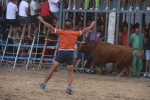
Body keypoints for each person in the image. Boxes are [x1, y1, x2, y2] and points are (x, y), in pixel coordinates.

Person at [38, 16, 95, 94]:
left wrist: (42, 20)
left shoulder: (61, 32)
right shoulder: (75, 33)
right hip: (70, 53)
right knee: (70, 72)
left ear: (64, 27)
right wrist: (91, 25)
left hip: (61, 52)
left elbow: (50, 27)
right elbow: (84, 30)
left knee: (52, 69)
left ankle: (44, 84)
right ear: (71, 27)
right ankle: (68, 87)